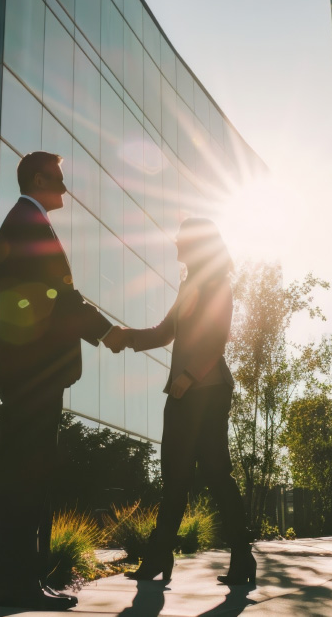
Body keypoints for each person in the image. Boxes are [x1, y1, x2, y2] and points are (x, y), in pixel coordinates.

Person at [0, 151, 125, 610]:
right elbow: (58, 296)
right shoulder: (27, 222)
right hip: (31, 373)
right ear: (39, 178)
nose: (66, 189)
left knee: (28, 477)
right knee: (26, 478)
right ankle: (18, 585)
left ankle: (22, 582)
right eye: (60, 180)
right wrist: (107, 332)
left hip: (29, 373)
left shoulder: (28, 220)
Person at [108, 217, 256, 587]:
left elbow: (218, 338)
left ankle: (242, 555)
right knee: (174, 476)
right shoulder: (190, 284)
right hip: (183, 392)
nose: (175, 244)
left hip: (206, 391)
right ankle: (160, 556)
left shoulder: (218, 284)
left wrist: (189, 377)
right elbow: (164, 332)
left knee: (215, 473)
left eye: (181, 240)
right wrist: (125, 336)